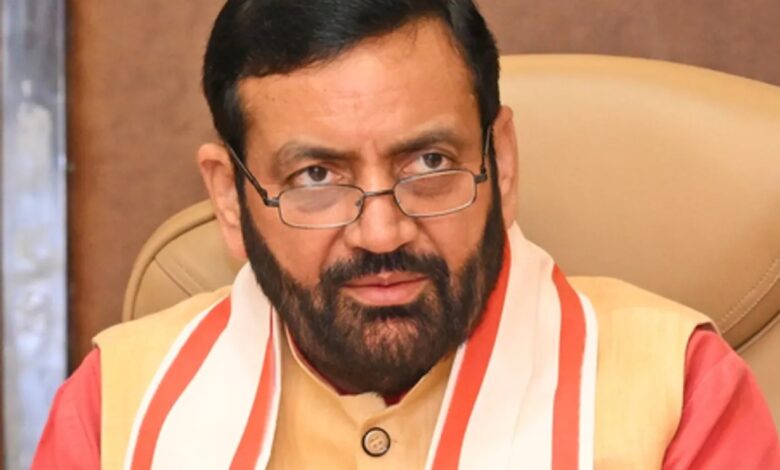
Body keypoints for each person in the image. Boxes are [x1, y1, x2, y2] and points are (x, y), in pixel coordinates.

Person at [33, 0, 779, 468]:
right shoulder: (116, 409)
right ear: (231, 199)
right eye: (316, 176)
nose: (382, 232)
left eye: (429, 163)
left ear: (501, 161)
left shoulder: (680, 392)